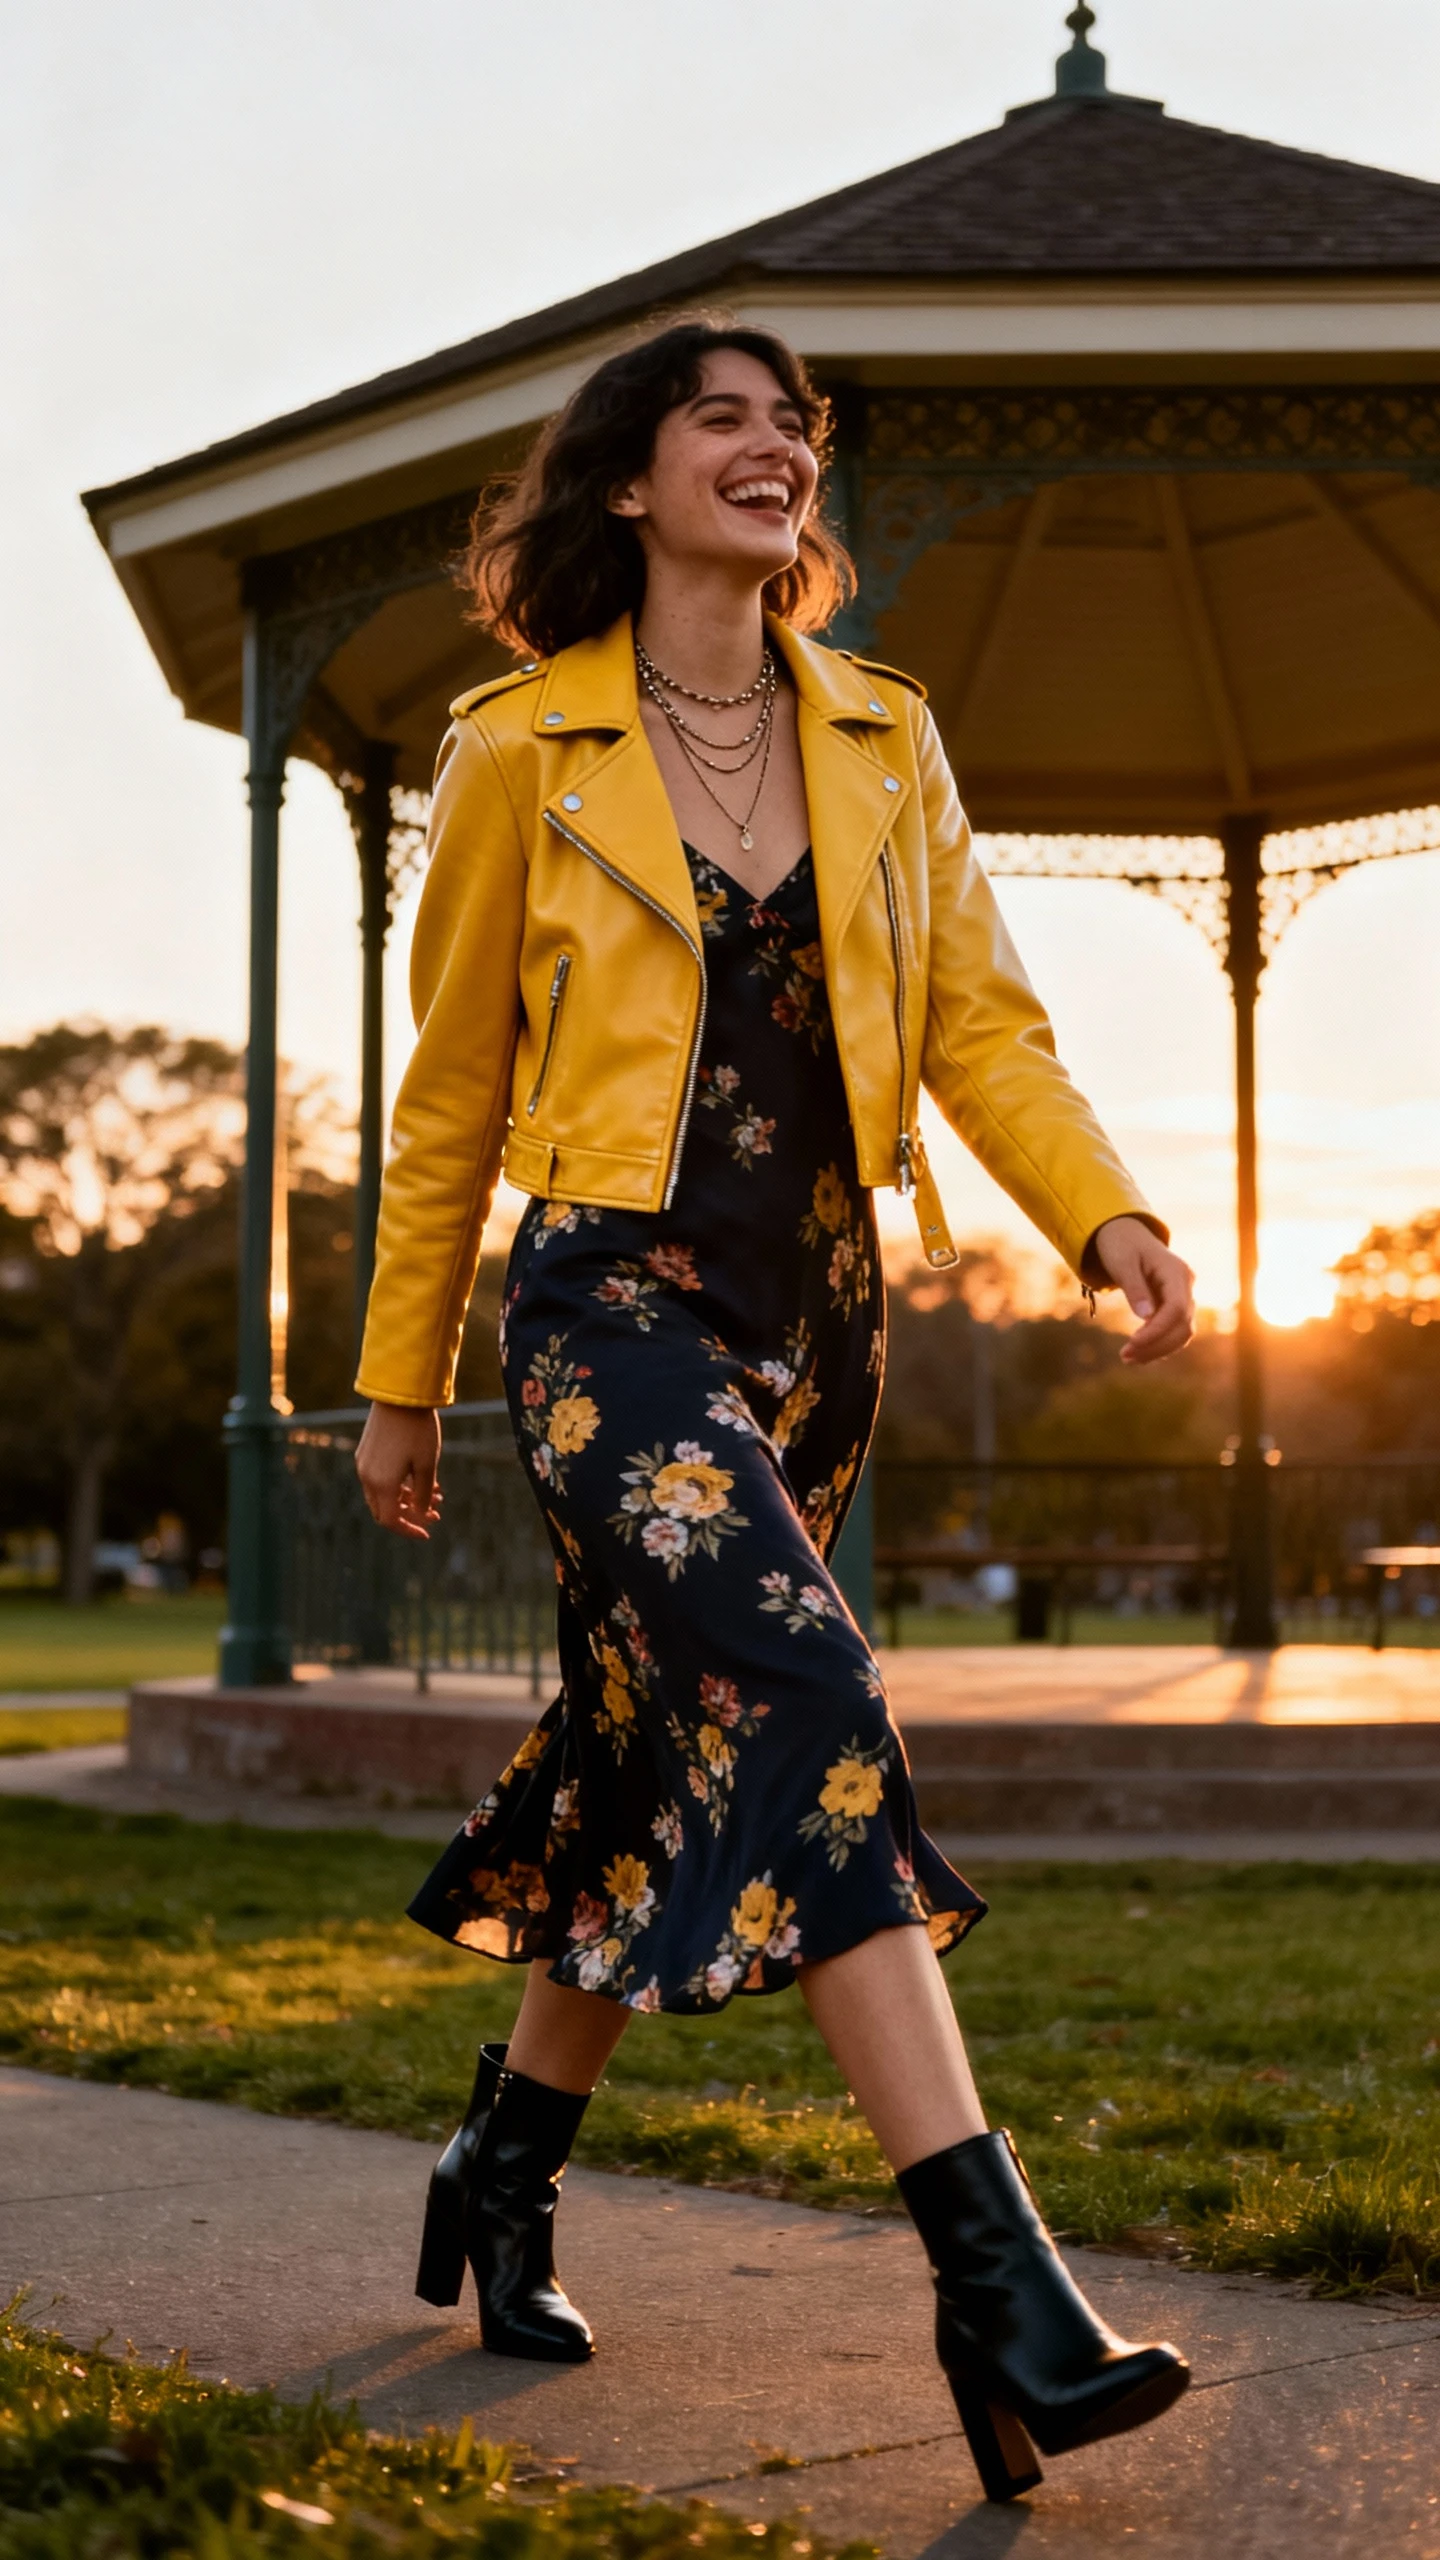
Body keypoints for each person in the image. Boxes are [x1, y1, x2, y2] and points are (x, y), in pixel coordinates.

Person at [354, 315, 1196, 2505]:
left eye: (791, 422)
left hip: (815, 1320)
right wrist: (398, 1376)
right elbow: (449, 1091)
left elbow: (986, 1029)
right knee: (809, 1691)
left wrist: (1100, 1210)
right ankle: (995, 2273)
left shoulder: (883, 736)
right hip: (603, 1304)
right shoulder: (520, 747)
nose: (773, 444)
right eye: (721, 415)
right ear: (630, 480)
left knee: (661, 1752)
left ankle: (501, 2164)